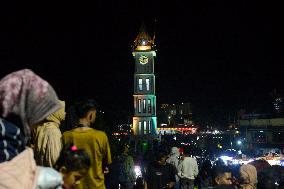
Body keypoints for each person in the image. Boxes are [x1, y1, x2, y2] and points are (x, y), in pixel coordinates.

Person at [0, 69, 63, 189]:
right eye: (38, 115)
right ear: (25, 109)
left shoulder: (13, 135)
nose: (38, 123)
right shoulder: (7, 135)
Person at [62, 99, 112, 189]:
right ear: (90, 115)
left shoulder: (66, 136)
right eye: (95, 114)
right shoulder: (100, 136)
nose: (95, 116)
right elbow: (106, 163)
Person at [33, 100, 66, 167]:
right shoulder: (53, 132)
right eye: (63, 110)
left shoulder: (41, 128)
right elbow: (54, 159)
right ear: (56, 112)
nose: (65, 113)